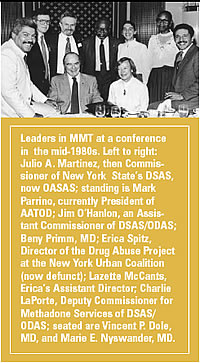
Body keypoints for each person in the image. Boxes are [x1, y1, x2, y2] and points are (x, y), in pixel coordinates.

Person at [1, 17, 59, 117]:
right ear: (14, 35)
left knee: (54, 110)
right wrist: (31, 116)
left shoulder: (18, 52)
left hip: (22, 105)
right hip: (9, 112)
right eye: (25, 35)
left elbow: (27, 83)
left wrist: (45, 100)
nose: (30, 40)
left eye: (33, 36)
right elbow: (9, 92)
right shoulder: (6, 55)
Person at [81, 18, 120, 101]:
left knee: (109, 102)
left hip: (110, 77)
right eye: (99, 29)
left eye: (105, 29)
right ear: (95, 29)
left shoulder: (116, 43)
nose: (102, 31)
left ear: (109, 30)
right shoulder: (86, 43)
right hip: (92, 77)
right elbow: (82, 63)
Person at [165, 23, 199, 111]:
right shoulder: (179, 55)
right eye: (177, 37)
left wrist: (182, 95)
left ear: (192, 38)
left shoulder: (197, 54)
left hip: (193, 101)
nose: (181, 40)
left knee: (154, 108)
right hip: (182, 100)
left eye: (184, 36)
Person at [147, 10, 178, 103]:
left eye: (165, 21)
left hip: (171, 77)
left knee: (168, 105)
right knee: (154, 104)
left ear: (170, 23)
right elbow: (148, 61)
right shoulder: (152, 39)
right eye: (159, 20)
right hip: (155, 78)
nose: (162, 23)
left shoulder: (176, 38)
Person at [49, 11, 82, 77]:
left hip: (75, 77)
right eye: (66, 24)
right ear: (60, 25)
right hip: (57, 77)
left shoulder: (80, 40)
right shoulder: (51, 40)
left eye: (72, 25)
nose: (69, 28)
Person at [26, 9, 51, 95]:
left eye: (47, 21)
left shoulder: (49, 39)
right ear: (34, 22)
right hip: (32, 87)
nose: (45, 24)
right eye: (41, 21)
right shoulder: (28, 39)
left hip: (47, 86)